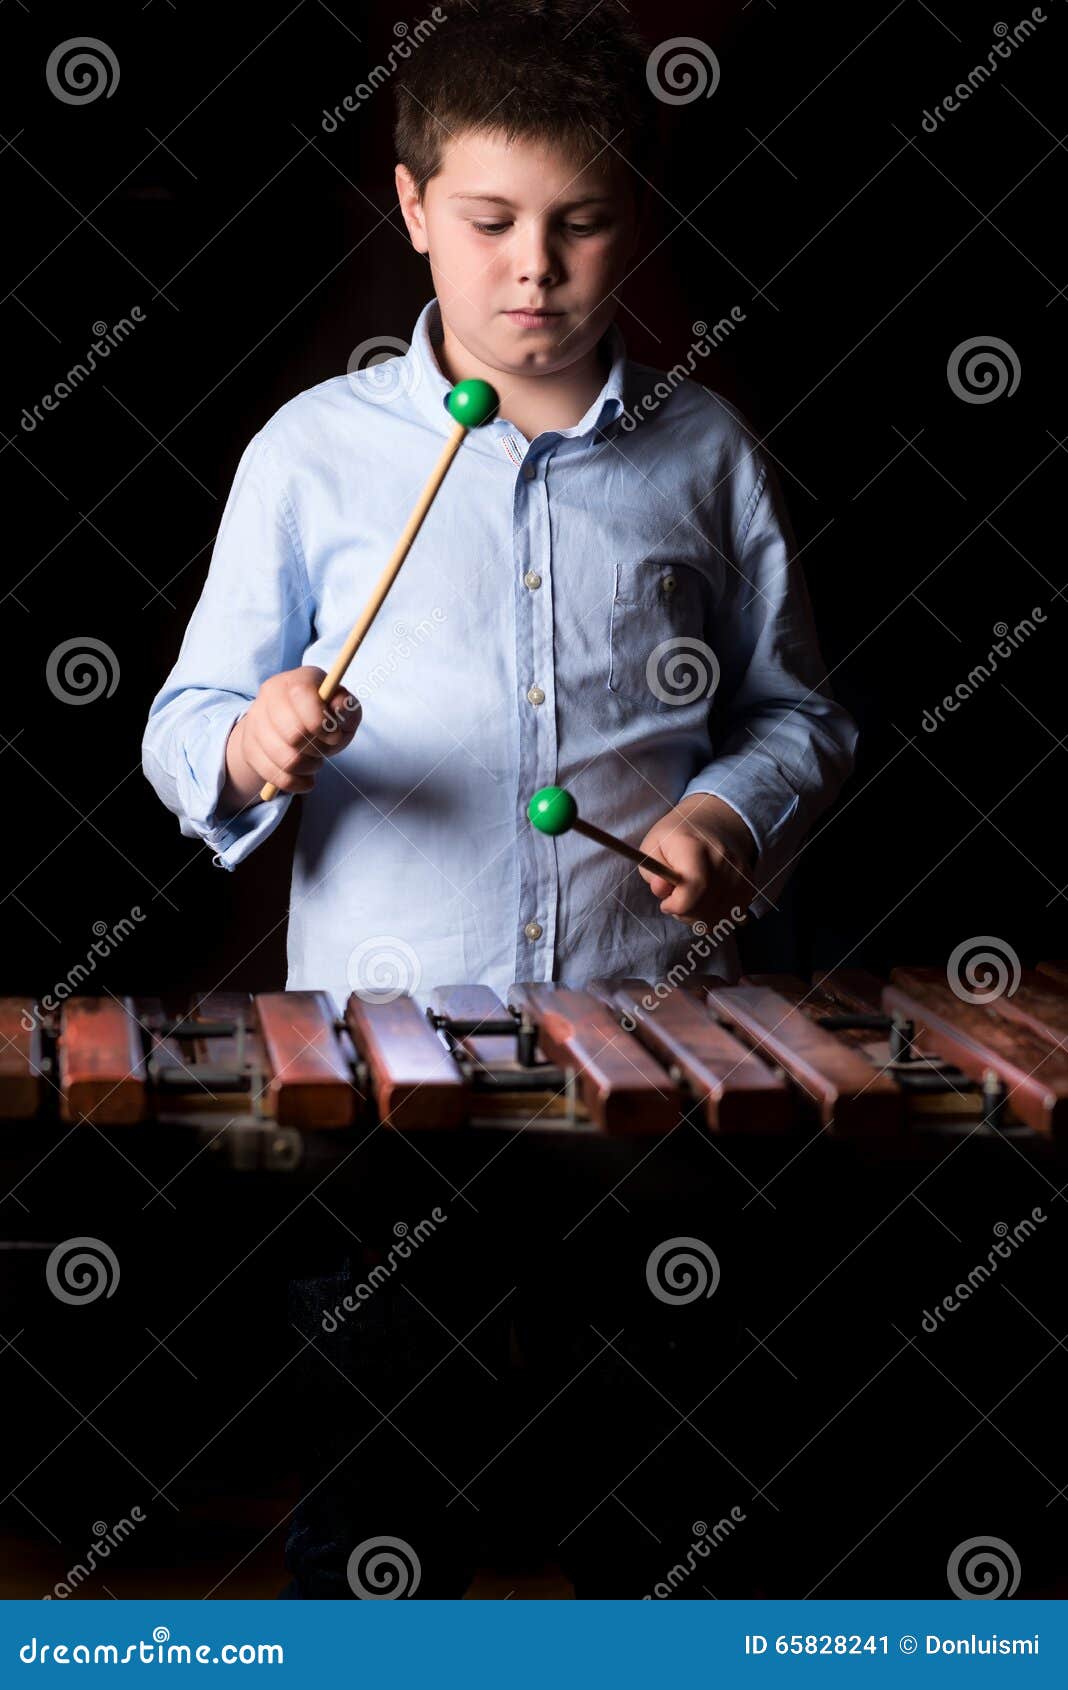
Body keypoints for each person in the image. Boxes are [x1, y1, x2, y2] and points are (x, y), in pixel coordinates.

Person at [141, 0, 857, 1596]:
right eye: (488, 222)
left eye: (578, 223)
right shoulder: (314, 454)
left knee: (660, 1504)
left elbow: (798, 714)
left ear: (632, 218)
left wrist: (728, 815)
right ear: (412, 209)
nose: (533, 268)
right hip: (387, 1079)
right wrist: (254, 738)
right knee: (385, 1509)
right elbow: (185, 724)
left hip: (653, 1064)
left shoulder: (705, 454)